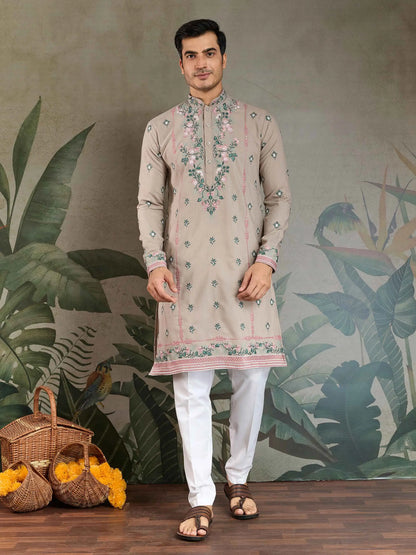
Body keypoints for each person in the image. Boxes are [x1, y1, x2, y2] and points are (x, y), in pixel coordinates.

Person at [137, 19, 291, 541]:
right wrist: (155, 261)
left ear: (225, 58)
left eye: (209, 53)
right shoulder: (160, 128)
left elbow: (279, 198)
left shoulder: (260, 123)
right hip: (186, 276)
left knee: (252, 380)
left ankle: (238, 480)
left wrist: (267, 260)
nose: (201, 63)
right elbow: (149, 201)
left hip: (247, 273)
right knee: (191, 390)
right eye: (191, 55)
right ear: (180, 64)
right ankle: (201, 498)